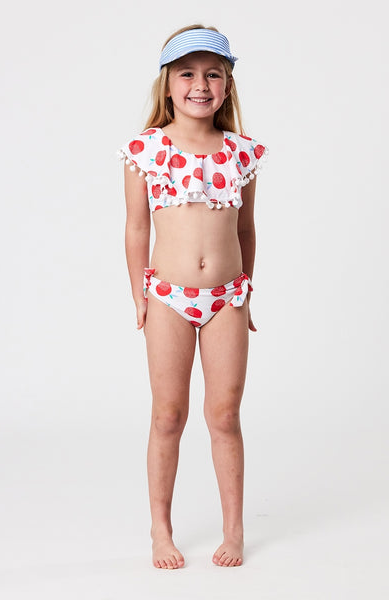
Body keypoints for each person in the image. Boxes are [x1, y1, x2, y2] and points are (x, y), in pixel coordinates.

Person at [118, 24, 268, 569]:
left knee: (224, 415)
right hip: (168, 298)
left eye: (213, 75)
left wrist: (246, 291)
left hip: (227, 298)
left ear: (227, 85)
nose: (200, 85)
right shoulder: (147, 149)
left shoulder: (242, 153)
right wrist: (140, 295)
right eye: (187, 73)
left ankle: (234, 530)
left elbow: (245, 229)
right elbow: (137, 228)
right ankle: (161, 530)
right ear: (168, 83)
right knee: (168, 415)